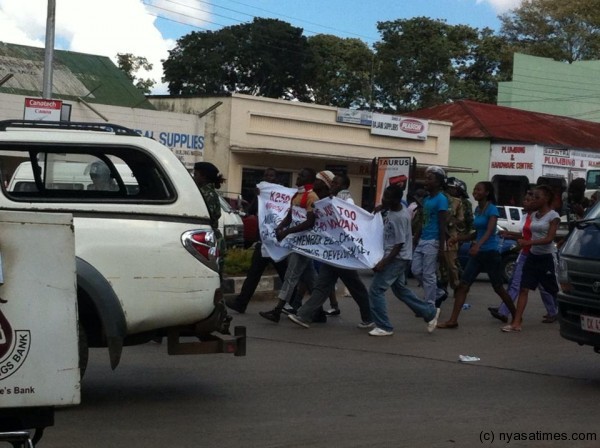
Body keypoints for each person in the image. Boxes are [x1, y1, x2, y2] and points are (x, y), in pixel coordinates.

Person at [287, 172, 374, 330]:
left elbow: (347, 223)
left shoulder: (347, 201)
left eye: (336, 183)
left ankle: (369, 317)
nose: (332, 185)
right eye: (332, 183)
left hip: (343, 253)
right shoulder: (330, 200)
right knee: (322, 286)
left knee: (356, 288)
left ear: (343, 186)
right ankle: (304, 315)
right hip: (333, 253)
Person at [437, 181, 516, 329]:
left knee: (498, 287)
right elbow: (477, 233)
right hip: (477, 253)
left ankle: (517, 316)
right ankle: (453, 320)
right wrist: (458, 238)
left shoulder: (492, 209)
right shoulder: (478, 210)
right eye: (474, 189)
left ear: (487, 193)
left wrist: (478, 246)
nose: (475, 192)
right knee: (463, 286)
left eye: (479, 189)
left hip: (490, 253)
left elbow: (490, 231)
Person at [362, 185, 439, 336]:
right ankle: (429, 313)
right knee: (400, 290)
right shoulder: (392, 210)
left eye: (388, 197)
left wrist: (384, 262)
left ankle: (384, 326)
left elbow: (399, 243)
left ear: (397, 200)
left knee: (376, 290)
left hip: (396, 258)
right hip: (394, 257)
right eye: (384, 196)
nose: (384, 199)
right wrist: (380, 207)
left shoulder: (400, 217)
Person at [259, 168, 319, 323]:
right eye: (299, 174)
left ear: (309, 180)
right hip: (297, 242)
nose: (298, 177)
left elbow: (310, 222)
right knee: (311, 279)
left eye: (302, 175)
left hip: (304, 244)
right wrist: (280, 226)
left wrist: (287, 231)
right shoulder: (297, 195)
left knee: (290, 276)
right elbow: (291, 216)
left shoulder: (311, 196)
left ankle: (277, 311)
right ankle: (318, 311)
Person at [488, 190, 558, 323]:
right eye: (526, 200)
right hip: (527, 253)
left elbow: (544, 238)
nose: (525, 202)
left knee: (548, 287)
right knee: (518, 285)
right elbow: (525, 235)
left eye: (529, 200)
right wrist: (510, 234)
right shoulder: (528, 216)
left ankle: (556, 310)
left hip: (541, 254)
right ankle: (506, 312)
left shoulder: (548, 216)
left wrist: (527, 241)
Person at [225, 168, 288, 314]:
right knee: (254, 274)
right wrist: (257, 197)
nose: (268, 177)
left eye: (271, 175)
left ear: (276, 179)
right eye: (266, 175)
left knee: (285, 275)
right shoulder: (261, 195)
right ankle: (241, 303)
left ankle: (296, 304)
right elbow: (250, 211)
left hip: (276, 242)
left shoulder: (281, 195)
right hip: (264, 242)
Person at [411, 166, 449, 308]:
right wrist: (416, 238)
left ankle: (430, 304)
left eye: (430, 179)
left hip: (433, 241)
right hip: (422, 240)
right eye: (426, 178)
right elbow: (424, 220)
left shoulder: (441, 199)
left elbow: (442, 224)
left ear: (438, 183)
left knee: (428, 274)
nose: (426, 181)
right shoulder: (426, 199)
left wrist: (441, 247)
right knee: (415, 270)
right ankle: (438, 293)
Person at [193, 161, 226, 277]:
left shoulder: (205, 194)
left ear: (204, 177)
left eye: (196, 174)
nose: (193, 177)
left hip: (208, 241)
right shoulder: (207, 193)